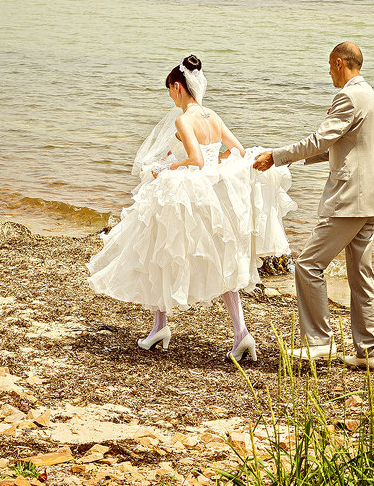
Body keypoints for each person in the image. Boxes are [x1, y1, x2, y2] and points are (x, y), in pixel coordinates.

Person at [87, 55, 294, 363]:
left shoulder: (183, 120)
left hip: (189, 194)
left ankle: (161, 326)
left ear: (177, 86)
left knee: (160, 253)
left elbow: (195, 160)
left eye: (170, 91)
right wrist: (219, 165)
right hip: (212, 196)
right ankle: (239, 334)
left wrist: (166, 167)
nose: (170, 97)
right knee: (221, 262)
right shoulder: (214, 116)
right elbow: (235, 150)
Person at [253, 41, 374, 370]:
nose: (328, 72)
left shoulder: (348, 96)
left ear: (340, 63)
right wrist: (298, 161)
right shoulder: (370, 96)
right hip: (369, 198)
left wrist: (277, 156)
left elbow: (321, 139)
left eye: (330, 66)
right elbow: (345, 145)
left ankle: (320, 343)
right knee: (362, 277)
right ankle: (367, 353)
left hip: (349, 199)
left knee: (308, 265)